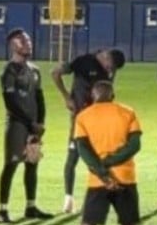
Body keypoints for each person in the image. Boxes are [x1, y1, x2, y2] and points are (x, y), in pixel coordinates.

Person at [56, 81, 145, 225]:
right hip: (125, 179)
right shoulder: (127, 112)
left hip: (97, 183)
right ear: (112, 94)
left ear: (93, 96)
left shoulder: (83, 117)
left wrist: (103, 173)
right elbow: (134, 146)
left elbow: (84, 152)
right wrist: (112, 163)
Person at [51, 48, 126, 214]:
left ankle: (98, 199)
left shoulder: (110, 71)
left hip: (99, 122)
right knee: (73, 157)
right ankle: (68, 199)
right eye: (110, 66)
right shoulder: (83, 61)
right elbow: (55, 73)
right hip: (80, 119)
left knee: (99, 159)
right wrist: (66, 97)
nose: (110, 71)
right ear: (105, 56)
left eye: (113, 69)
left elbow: (109, 94)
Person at [0, 28, 51, 222]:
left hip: (34, 125)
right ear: (13, 45)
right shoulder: (8, 71)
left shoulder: (34, 70)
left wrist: (40, 123)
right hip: (17, 125)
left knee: (32, 163)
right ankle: (2, 210)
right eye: (22, 41)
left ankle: (31, 206)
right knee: (11, 164)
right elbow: (10, 103)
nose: (28, 43)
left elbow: (39, 97)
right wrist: (30, 124)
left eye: (28, 39)